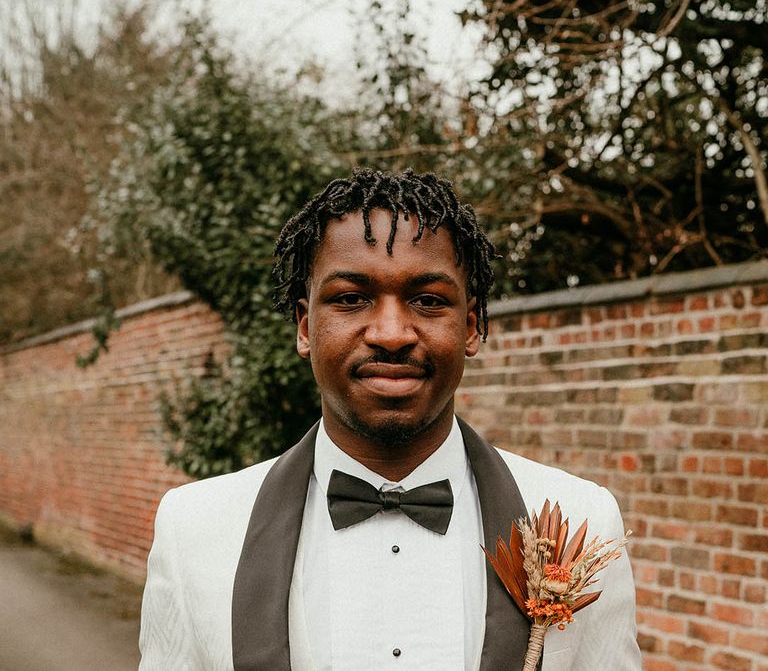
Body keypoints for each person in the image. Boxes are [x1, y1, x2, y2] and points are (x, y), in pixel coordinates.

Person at [139, 169, 641, 670]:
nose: (391, 333)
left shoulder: (585, 520)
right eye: (351, 299)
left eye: (427, 300)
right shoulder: (194, 529)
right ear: (305, 327)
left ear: (470, 328)